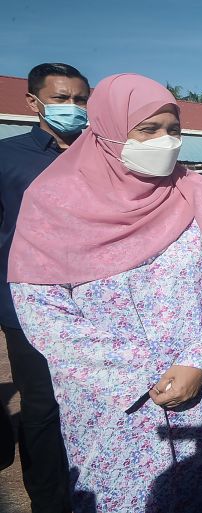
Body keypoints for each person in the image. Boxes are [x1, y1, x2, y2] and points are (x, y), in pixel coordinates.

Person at [8, 73, 202, 512]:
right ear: (108, 129)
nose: (165, 141)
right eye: (149, 129)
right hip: (111, 398)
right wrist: (138, 373)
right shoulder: (52, 200)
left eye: (172, 129)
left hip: (200, 384)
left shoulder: (196, 191)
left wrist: (200, 360)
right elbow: (41, 307)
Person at [0, 62, 90, 513]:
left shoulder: (102, 154)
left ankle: (95, 484)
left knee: (92, 400)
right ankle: (49, 500)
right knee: (42, 406)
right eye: (61, 98)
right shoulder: (6, 158)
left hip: (96, 303)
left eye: (80, 99)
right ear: (33, 102)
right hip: (28, 306)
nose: (73, 107)